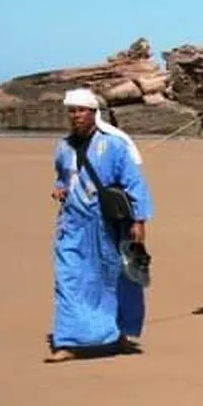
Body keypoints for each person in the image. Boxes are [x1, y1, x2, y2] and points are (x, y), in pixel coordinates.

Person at [45, 88, 154, 363]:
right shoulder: (63, 146)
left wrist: (139, 221)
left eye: (81, 110)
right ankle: (67, 341)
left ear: (93, 113)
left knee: (111, 281)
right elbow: (63, 176)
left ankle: (117, 334)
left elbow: (135, 184)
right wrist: (59, 189)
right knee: (68, 279)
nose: (76, 116)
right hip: (73, 225)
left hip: (107, 226)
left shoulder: (113, 145)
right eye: (72, 111)